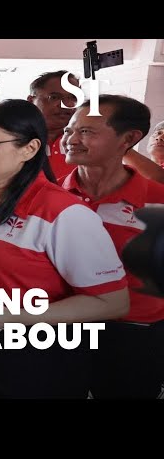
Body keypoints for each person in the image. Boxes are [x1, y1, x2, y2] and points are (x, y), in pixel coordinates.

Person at [0, 99, 129, 399]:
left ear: (30, 149)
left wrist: (13, 317)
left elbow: (113, 302)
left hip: (41, 352)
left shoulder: (64, 213)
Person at [60, 95, 164, 398]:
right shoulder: (48, 197)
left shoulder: (158, 202)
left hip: (134, 333)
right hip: (61, 325)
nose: (71, 140)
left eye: (86, 131)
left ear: (128, 139)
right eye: (69, 130)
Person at [28, 70, 164, 184]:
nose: (67, 104)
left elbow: (157, 179)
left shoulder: (92, 141)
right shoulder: (18, 140)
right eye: (54, 97)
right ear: (31, 100)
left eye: (73, 98)